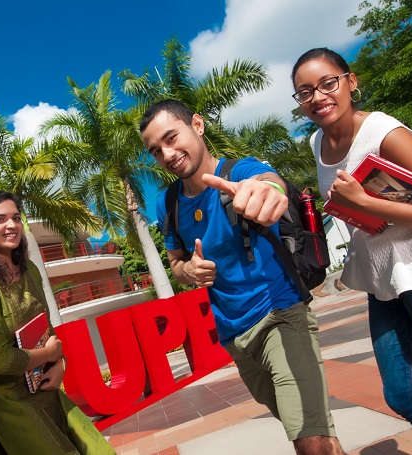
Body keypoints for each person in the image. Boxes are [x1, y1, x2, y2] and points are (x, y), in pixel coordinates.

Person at [140, 99, 345, 455]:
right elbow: (175, 262)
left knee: (311, 443)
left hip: (280, 316)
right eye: (156, 150)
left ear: (198, 126)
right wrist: (188, 271)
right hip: (235, 338)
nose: (168, 154)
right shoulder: (167, 203)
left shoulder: (237, 172)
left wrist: (269, 191)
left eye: (172, 138)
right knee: (316, 437)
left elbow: (268, 182)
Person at [292, 48, 412, 453]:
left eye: (327, 83)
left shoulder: (386, 134)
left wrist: (366, 203)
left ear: (351, 82)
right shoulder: (318, 143)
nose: (317, 96)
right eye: (304, 92)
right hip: (382, 281)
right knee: (404, 396)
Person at [0, 191, 114, 455]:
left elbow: (45, 327)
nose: (11, 225)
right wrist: (49, 353)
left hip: (41, 383)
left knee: (98, 450)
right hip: (6, 396)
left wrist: (59, 363)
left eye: (16, 218)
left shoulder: (29, 269)